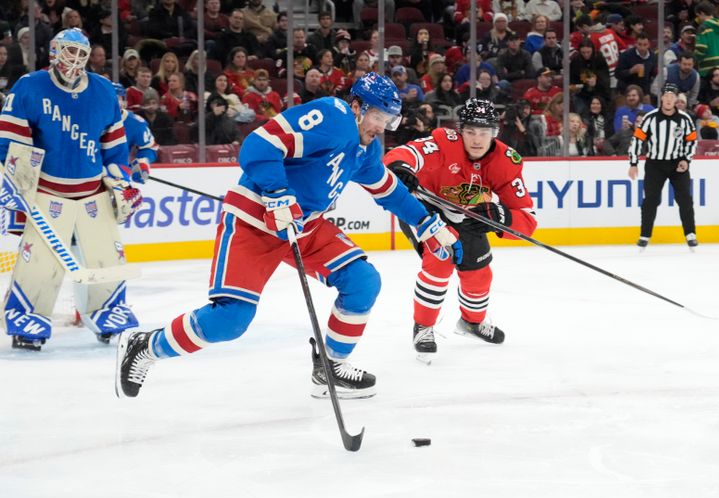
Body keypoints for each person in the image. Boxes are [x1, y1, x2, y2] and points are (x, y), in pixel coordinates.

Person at [115, 72, 462, 399]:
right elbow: (258, 145)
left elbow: (387, 190)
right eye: (377, 116)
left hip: (304, 226)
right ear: (356, 106)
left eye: (389, 120)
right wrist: (277, 191)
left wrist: (426, 222)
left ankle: (331, 368)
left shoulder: (366, 149)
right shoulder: (332, 116)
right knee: (230, 320)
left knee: (363, 281)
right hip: (255, 219)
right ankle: (146, 346)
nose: (381, 127)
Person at [0, 29, 142, 350]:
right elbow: (11, 141)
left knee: (106, 258)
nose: (75, 60)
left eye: (81, 53)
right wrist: (16, 184)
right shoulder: (30, 87)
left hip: (93, 193)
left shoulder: (104, 91)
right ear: (53, 52)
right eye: (68, 51)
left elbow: (114, 146)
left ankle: (107, 309)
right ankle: (29, 316)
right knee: (39, 261)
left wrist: (120, 182)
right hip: (47, 194)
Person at [383, 99, 537, 361]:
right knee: (440, 259)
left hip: (468, 215)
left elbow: (527, 220)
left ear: (494, 134)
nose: (477, 139)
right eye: (471, 132)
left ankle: (472, 322)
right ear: (460, 130)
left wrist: (500, 216)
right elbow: (404, 154)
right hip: (424, 208)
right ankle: (423, 327)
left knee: (479, 273)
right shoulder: (444, 143)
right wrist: (401, 168)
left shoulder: (506, 162)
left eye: (484, 132)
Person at [628, 83, 699, 249]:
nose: (668, 99)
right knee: (650, 200)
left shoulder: (685, 119)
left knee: (685, 199)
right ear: (661, 98)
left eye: (672, 96)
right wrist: (633, 163)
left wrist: (686, 160)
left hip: (677, 164)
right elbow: (638, 140)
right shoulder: (650, 118)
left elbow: (691, 141)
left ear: (676, 99)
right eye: (666, 96)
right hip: (655, 165)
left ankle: (690, 234)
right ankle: (645, 235)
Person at [112, 82, 159, 180]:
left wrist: (142, 162)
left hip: (118, 176)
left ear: (125, 102)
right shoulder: (88, 119)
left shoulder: (135, 123)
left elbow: (149, 147)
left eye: (118, 98)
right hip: (90, 174)